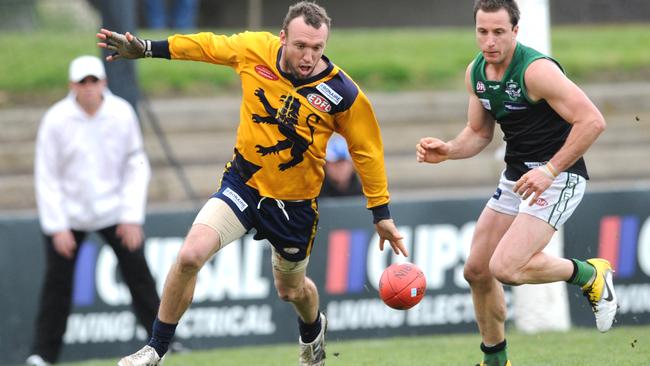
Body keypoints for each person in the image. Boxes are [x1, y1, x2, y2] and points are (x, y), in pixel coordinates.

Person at [96, 2, 407, 365]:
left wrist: (380, 212)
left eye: (317, 48)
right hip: (244, 184)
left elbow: (367, 150)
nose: (308, 56)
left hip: (294, 206)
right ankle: (155, 349)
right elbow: (206, 46)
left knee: (291, 291)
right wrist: (149, 48)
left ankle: (313, 329)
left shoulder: (342, 93)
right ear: (282, 37)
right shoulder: (253, 49)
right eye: (300, 46)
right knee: (189, 256)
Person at [416, 1, 616, 365]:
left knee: (506, 267)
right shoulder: (476, 71)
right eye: (482, 32)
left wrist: (550, 171)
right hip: (517, 176)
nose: (489, 41)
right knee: (477, 269)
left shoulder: (536, 70)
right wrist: (446, 150)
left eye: (498, 32)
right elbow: (478, 133)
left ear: (515, 31)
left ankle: (590, 273)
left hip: (560, 176)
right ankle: (496, 361)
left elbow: (592, 121)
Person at [26, 55, 159, 366]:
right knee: (57, 286)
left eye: (93, 81)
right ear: (72, 85)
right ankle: (42, 355)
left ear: (104, 83)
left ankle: (162, 343)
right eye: (82, 82)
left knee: (139, 277)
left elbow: (136, 165)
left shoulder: (122, 113)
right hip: (69, 214)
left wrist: (130, 216)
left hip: (114, 211)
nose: (88, 88)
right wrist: (57, 225)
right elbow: (46, 175)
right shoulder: (55, 119)